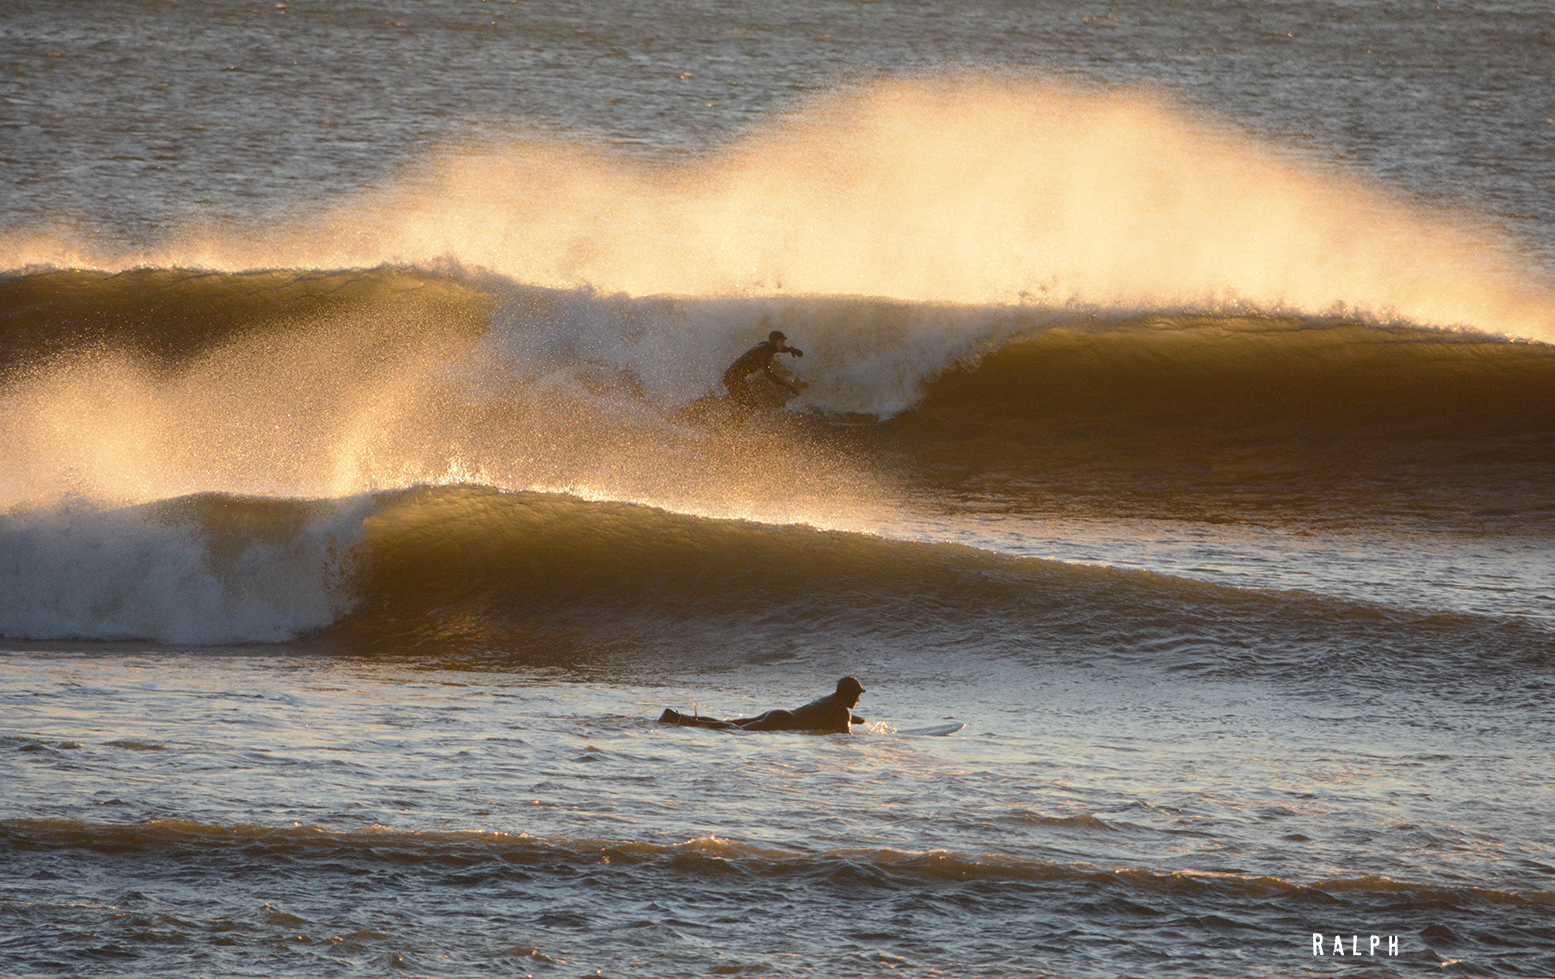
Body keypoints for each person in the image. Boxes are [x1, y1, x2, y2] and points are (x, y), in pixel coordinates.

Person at [659, 677, 866, 734]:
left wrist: (857, 720)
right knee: (733, 730)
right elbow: (844, 734)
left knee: (731, 724)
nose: (858, 699)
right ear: (848, 694)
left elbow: (837, 716)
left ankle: (678, 717)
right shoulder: (840, 710)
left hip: (780, 715)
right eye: (857, 694)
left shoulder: (831, 701)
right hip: (781, 722)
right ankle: (683, 720)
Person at [722, 326, 804, 411]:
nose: (783, 344)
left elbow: (779, 349)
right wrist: (788, 386)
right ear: (774, 342)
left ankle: (732, 419)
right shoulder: (765, 352)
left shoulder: (766, 345)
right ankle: (730, 420)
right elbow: (768, 374)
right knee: (750, 406)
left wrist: (790, 349)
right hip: (733, 377)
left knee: (748, 406)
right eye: (781, 341)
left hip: (732, 376)